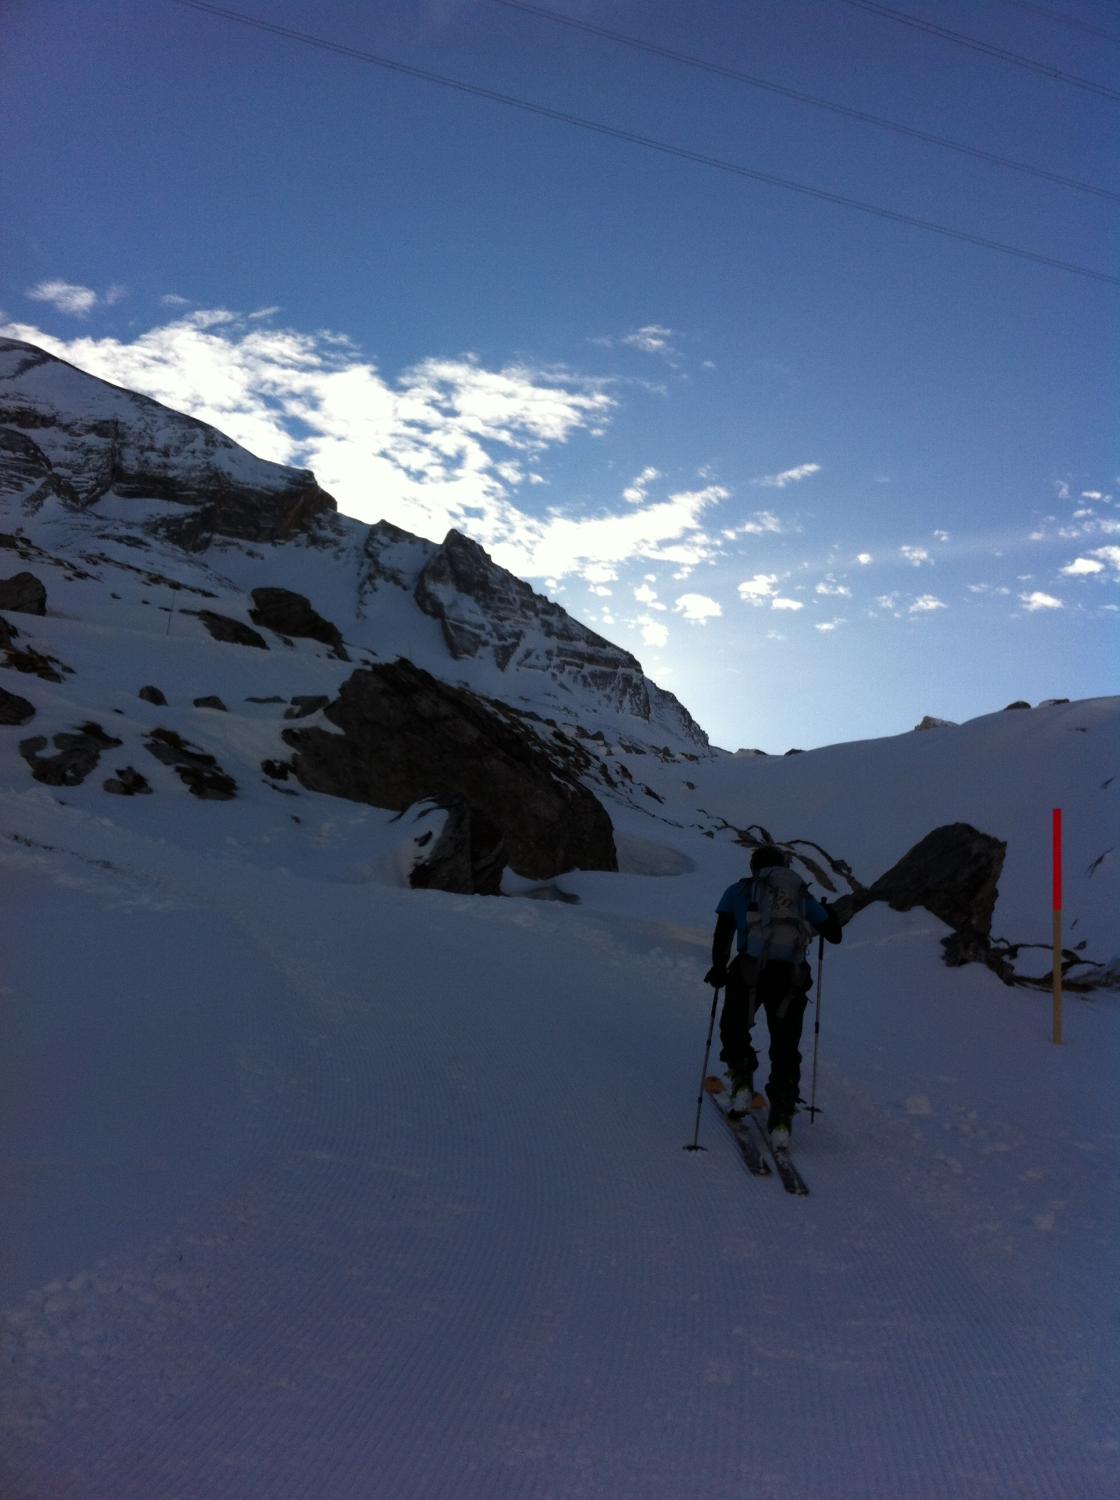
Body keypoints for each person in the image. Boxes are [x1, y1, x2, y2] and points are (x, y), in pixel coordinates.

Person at [704, 844, 842, 1146]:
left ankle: (742, 1083)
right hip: (791, 976)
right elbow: (834, 934)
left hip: (749, 971)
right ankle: (781, 1115)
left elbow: (723, 933)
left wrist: (718, 968)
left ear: (754, 868)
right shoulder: (798, 894)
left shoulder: (740, 890)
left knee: (734, 1027)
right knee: (785, 1044)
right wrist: (828, 913)